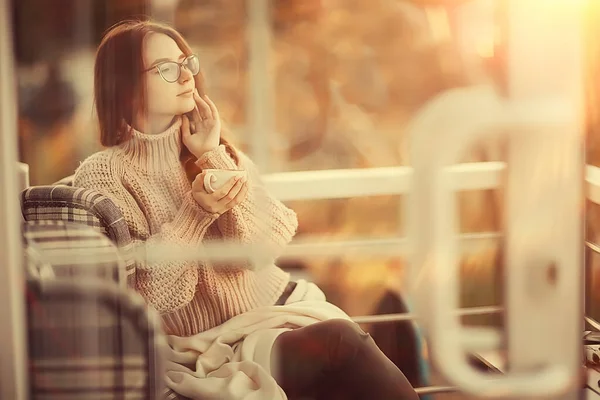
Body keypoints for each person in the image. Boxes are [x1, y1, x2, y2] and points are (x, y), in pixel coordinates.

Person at [74, 19, 418, 400]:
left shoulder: (214, 148)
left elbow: (263, 248)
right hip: (212, 344)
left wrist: (211, 155)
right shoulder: (104, 174)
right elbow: (151, 295)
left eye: (186, 63)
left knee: (373, 337)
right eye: (166, 69)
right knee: (343, 341)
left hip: (278, 310)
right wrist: (195, 214)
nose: (186, 76)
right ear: (125, 86)